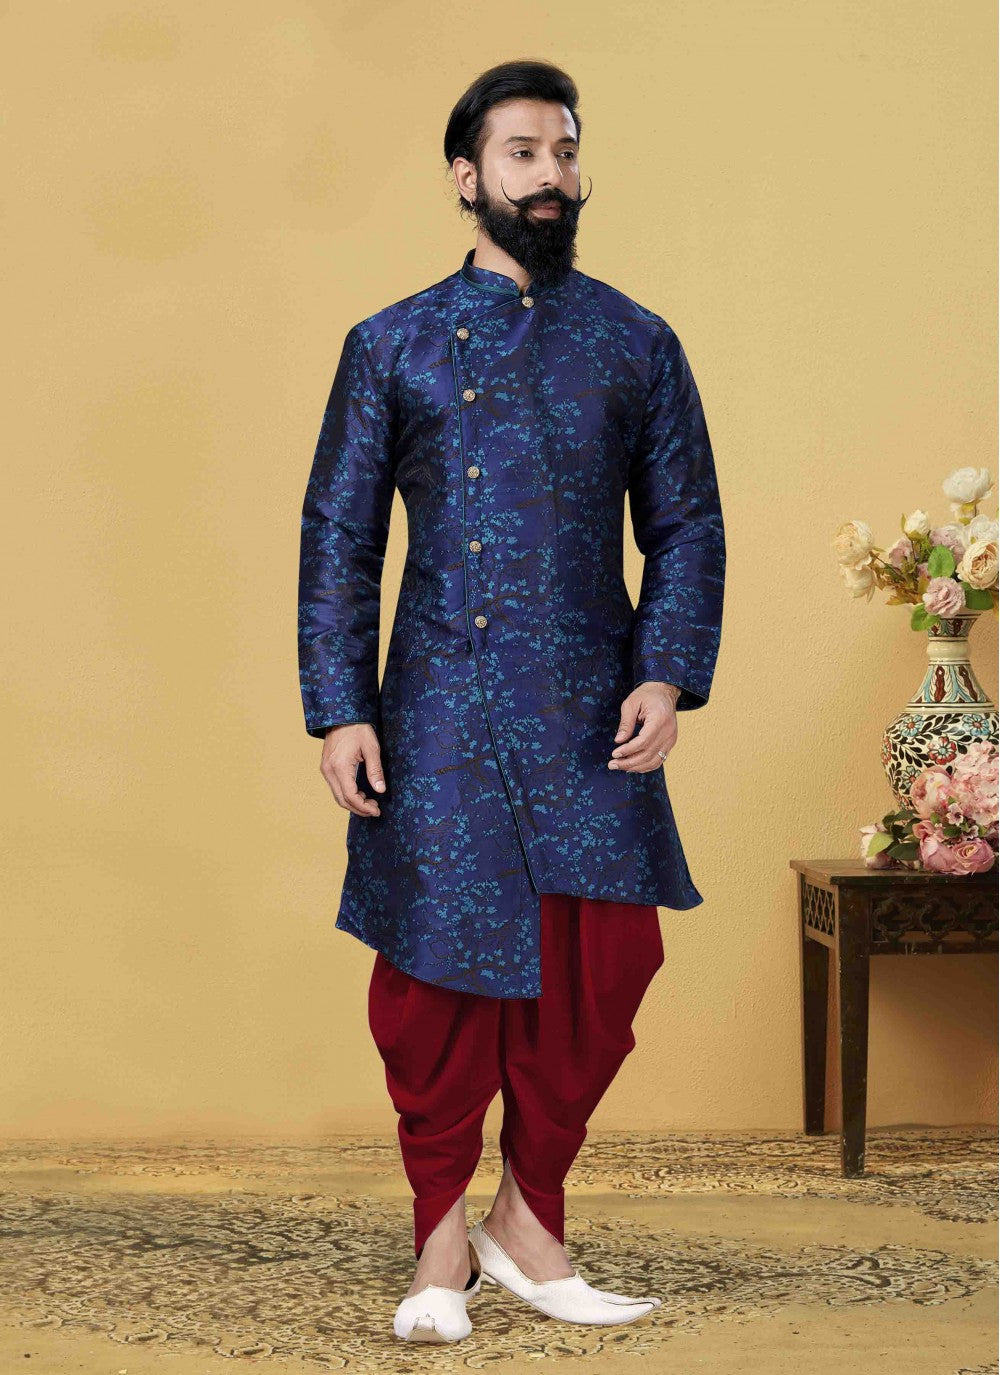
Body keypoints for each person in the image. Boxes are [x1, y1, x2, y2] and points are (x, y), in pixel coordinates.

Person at [297, 59, 726, 1343]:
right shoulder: (391, 343)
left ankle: (529, 1224)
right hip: (435, 705)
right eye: (523, 153)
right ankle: (440, 1246)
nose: (549, 175)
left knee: (601, 967)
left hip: (593, 706)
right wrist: (340, 705)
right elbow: (339, 537)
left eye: (564, 151)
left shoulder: (636, 340)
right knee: (433, 983)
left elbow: (687, 526)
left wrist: (665, 670)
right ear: (465, 177)